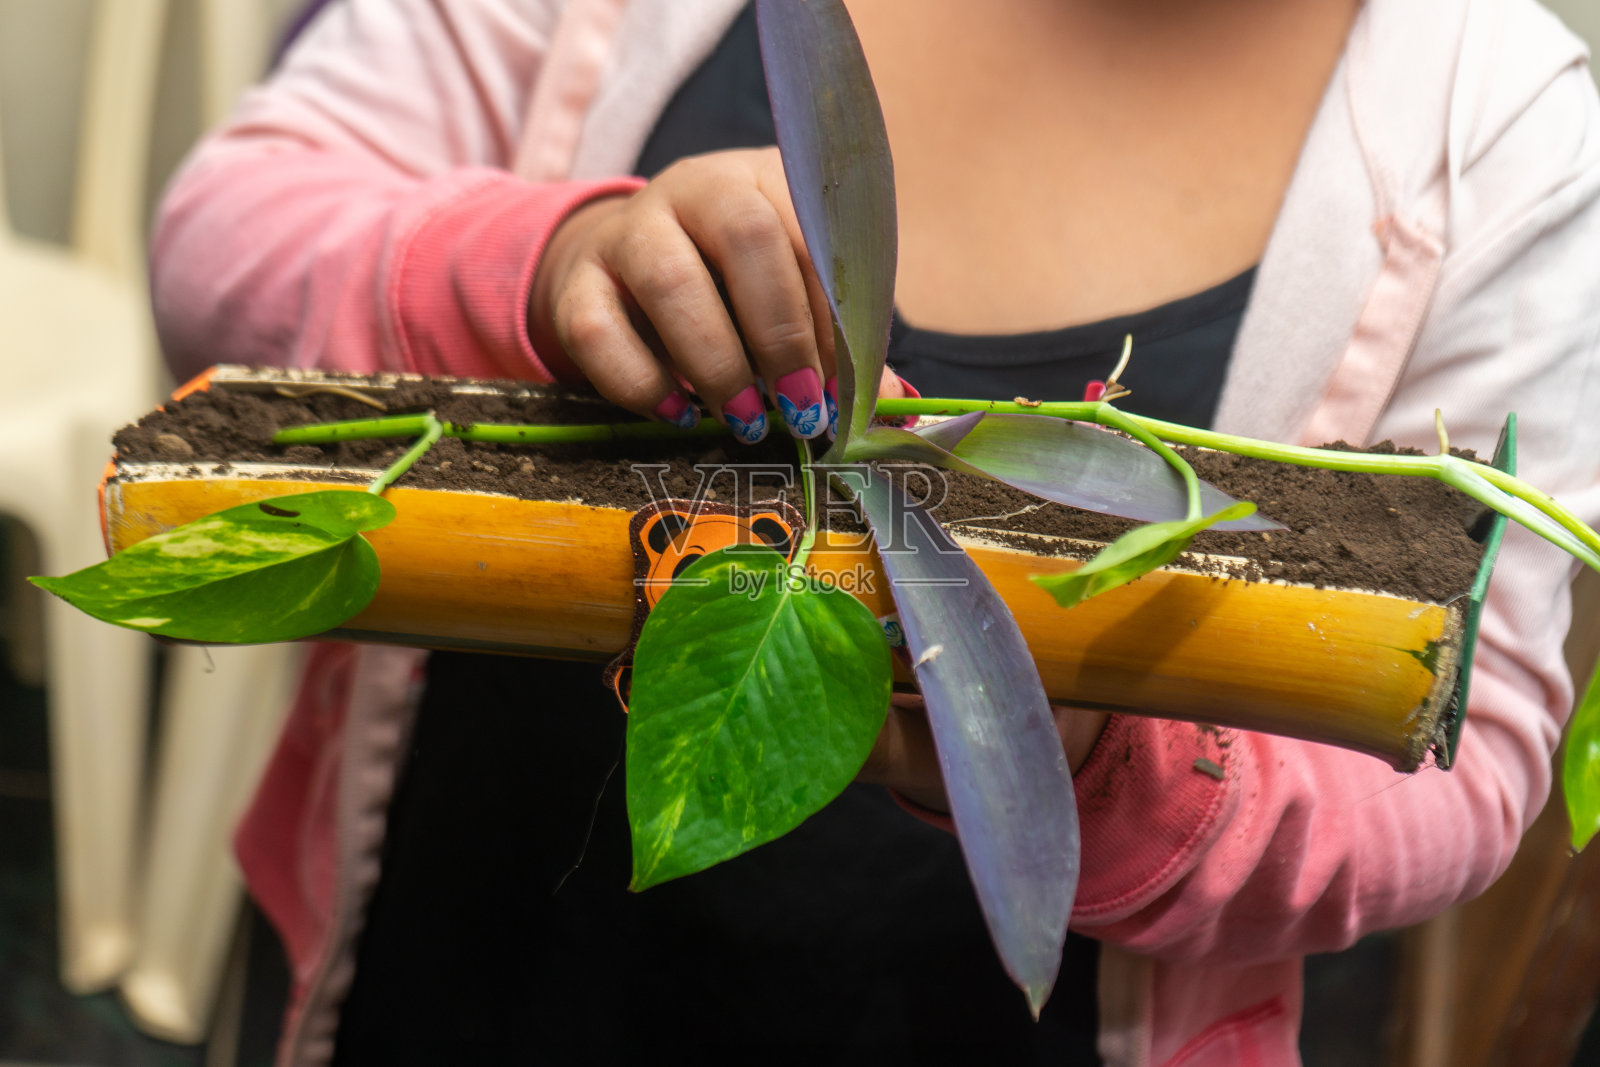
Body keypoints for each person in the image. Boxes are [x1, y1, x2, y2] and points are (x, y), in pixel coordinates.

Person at [149, 0, 1600, 1063]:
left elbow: (1467, 742)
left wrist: (1107, 760)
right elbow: (226, 234)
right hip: (470, 954)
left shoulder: (1507, 138)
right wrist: (554, 263)